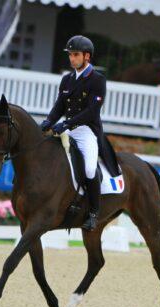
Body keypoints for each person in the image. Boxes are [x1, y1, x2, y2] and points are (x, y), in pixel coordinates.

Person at [40, 35, 120, 231]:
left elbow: (92, 111)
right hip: (67, 129)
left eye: (75, 55)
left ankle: (93, 214)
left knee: (90, 170)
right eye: (70, 55)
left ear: (87, 56)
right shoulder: (67, 79)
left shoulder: (97, 80)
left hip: (87, 131)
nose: (72, 58)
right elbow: (60, 105)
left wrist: (67, 124)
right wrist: (49, 121)